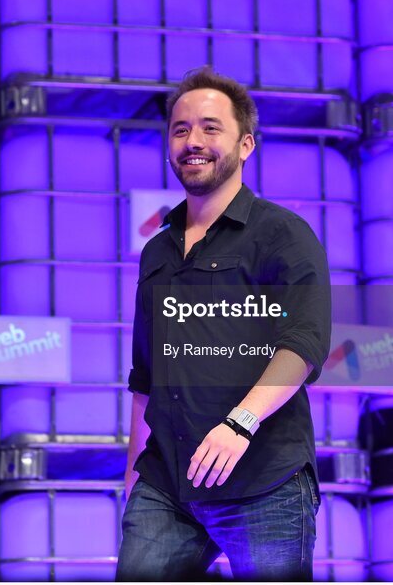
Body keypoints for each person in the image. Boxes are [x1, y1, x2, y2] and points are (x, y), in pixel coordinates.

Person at [116, 66, 332, 581]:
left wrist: (241, 421)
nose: (194, 141)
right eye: (181, 128)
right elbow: (145, 379)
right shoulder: (157, 252)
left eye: (212, 128)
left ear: (246, 145)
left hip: (264, 480)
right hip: (167, 485)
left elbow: (303, 341)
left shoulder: (282, 234)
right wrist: (131, 487)